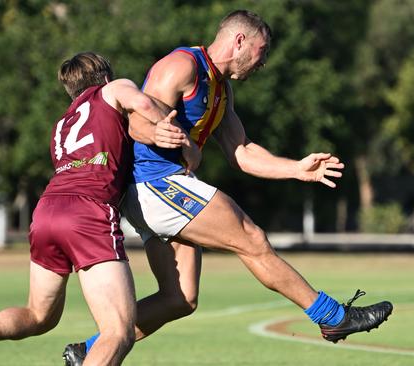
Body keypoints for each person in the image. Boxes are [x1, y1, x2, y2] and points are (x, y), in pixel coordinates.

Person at [64, 10, 392, 364]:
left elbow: (242, 152)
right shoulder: (182, 65)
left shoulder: (222, 90)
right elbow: (135, 124)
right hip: (153, 183)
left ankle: (91, 350)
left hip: (162, 190)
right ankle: (333, 318)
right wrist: (163, 135)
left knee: (181, 298)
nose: (262, 62)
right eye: (261, 51)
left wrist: (297, 169)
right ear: (239, 42)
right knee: (251, 239)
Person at [0, 52, 194, 366]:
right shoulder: (112, 89)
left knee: (39, 315)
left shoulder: (62, 123)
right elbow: (142, 105)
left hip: (47, 211)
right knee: (117, 332)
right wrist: (177, 134)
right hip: (87, 211)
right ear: (104, 77)